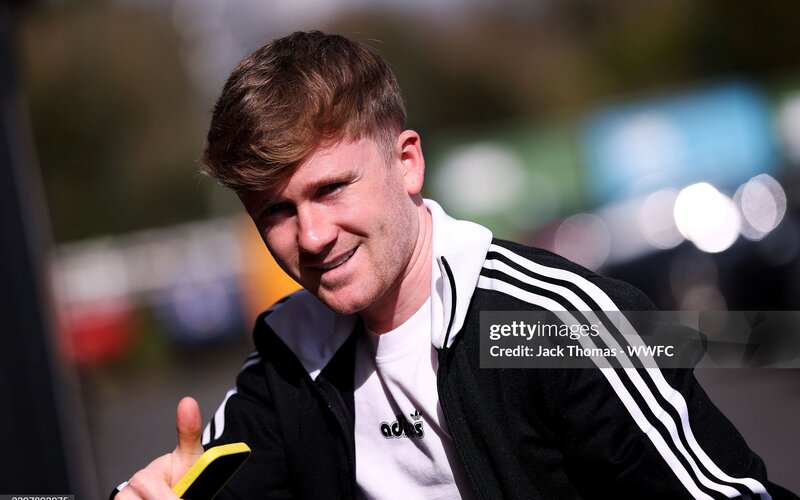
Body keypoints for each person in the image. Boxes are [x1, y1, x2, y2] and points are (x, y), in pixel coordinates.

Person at [112, 31, 793, 499]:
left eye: (331, 189)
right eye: (277, 211)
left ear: (407, 163)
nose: (312, 236)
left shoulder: (558, 324)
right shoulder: (290, 357)